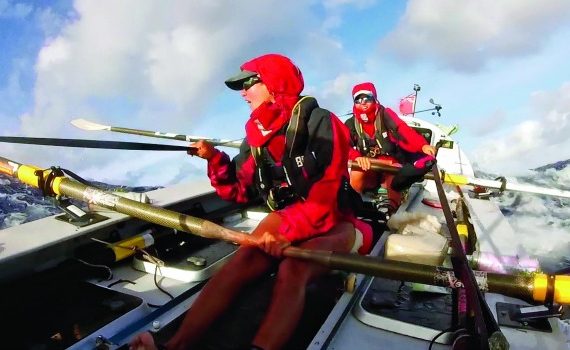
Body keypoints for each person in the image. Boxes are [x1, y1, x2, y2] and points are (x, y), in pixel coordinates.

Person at [130, 54, 372, 350]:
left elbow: (326, 199)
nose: (243, 92)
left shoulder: (323, 122)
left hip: (337, 221)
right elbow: (238, 191)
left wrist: (284, 236)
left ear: (274, 83)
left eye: (249, 83)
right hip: (292, 219)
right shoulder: (256, 137)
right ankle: (174, 345)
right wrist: (214, 159)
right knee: (243, 259)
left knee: (293, 268)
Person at [345, 82, 436, 210]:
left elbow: (402, 129)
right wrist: (356, 157)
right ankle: (351, 208)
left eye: (367, 98)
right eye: (358, 100)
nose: (363, 103)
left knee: (392, 176)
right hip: (369, 166)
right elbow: (344, 145)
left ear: (375, 99)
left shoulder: (385, 114)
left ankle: (392, 210)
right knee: (356, 170)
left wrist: (422, 146)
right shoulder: (351, 123)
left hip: (390, 164)